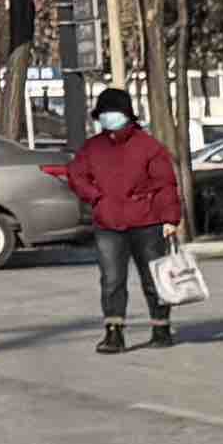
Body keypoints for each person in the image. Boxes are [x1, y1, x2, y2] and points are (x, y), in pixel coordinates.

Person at [57, 89, 186, 350]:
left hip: (147, 222)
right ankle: (114, 332)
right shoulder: (93, 147)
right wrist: (95, 197)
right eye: (102, 113)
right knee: (112, 280)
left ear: (127, 115)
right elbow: (76, 175)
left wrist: (170, 219)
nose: (107, 118)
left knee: (154, 278)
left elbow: (166, 185)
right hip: (108, 223)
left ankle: (161, 329)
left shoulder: (149, 146)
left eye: (111, 112)